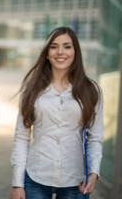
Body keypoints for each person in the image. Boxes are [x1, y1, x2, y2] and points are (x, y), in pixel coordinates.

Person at [10, 26, 104, 199]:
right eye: (54, 46)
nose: (60, 52)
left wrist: (93, 172)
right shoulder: (32, 89)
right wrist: (17, 183)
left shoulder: (92, 90)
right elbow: (21, 137)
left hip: (75, 181)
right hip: (36, 177)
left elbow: (95, 137)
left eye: (67, 46)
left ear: (76, 52)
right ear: (47, 53)